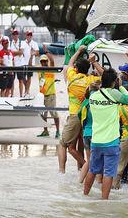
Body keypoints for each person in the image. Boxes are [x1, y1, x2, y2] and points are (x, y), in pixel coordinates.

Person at [83, 68, 128, 200]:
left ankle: (84, 196)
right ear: (114, 82)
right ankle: (104, 201)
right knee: (108, 173)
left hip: (96, 141)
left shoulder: (93, 96)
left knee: (93, 170)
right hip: (111, 141)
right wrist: (122, 87)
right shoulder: (114, 94)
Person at [58, 45, 103, 174]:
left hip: (74, 116)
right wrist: (94, 62)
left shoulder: (72, 76)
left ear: (76, 69)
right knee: (81, 145)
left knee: (63, 144)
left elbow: (70, 62)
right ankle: (82, 168)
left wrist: (78, 51)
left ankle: (63, 172)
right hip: (88, 117)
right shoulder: (92, 80)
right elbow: (107, 76)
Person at [78, 81, 101, 183]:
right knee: (99, 161)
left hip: (86, 133)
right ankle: (99, 183)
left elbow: (79, 115)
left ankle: (80, 181)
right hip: (95, 134)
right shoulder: (98, 101)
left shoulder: (85, 102)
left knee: (89, 161)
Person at [36, 45, 60, 138]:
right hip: (42, 96)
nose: (44, 63)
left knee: (54, 113)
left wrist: (46, 51)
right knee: (43, 114)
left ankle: (58, 131)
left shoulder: (51, 70)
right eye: (42, 61)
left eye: (45, 61)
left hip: (51, 95)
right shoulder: (39, 70)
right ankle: (45, 131)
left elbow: (52, 60)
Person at [21, 30, 40, 97]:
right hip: (23, 62)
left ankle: (27, 91)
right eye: (28, 35)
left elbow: (37, 53)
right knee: (22, 77)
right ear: (26, 35)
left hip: (31, 63)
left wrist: (33, 53)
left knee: (29, 77)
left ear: (32, 36)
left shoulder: (34, 43)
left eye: (30, 35)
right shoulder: (23, 42)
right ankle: (27, 88)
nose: (29, 36)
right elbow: (21, 50)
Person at [9, 30, 25, 97]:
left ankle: (21, 95)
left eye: (16, 34)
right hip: (12, 64)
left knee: (20, 80)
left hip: (20, 64)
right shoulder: (10, 43)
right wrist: (17, 52)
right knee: (12, 81)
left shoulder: (22, 42)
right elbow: (9, 52)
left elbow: (21, 52)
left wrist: (12, 53)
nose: (15, 35)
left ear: (18, 35)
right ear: (12, 35)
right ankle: (12, 95)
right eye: (14, 34)